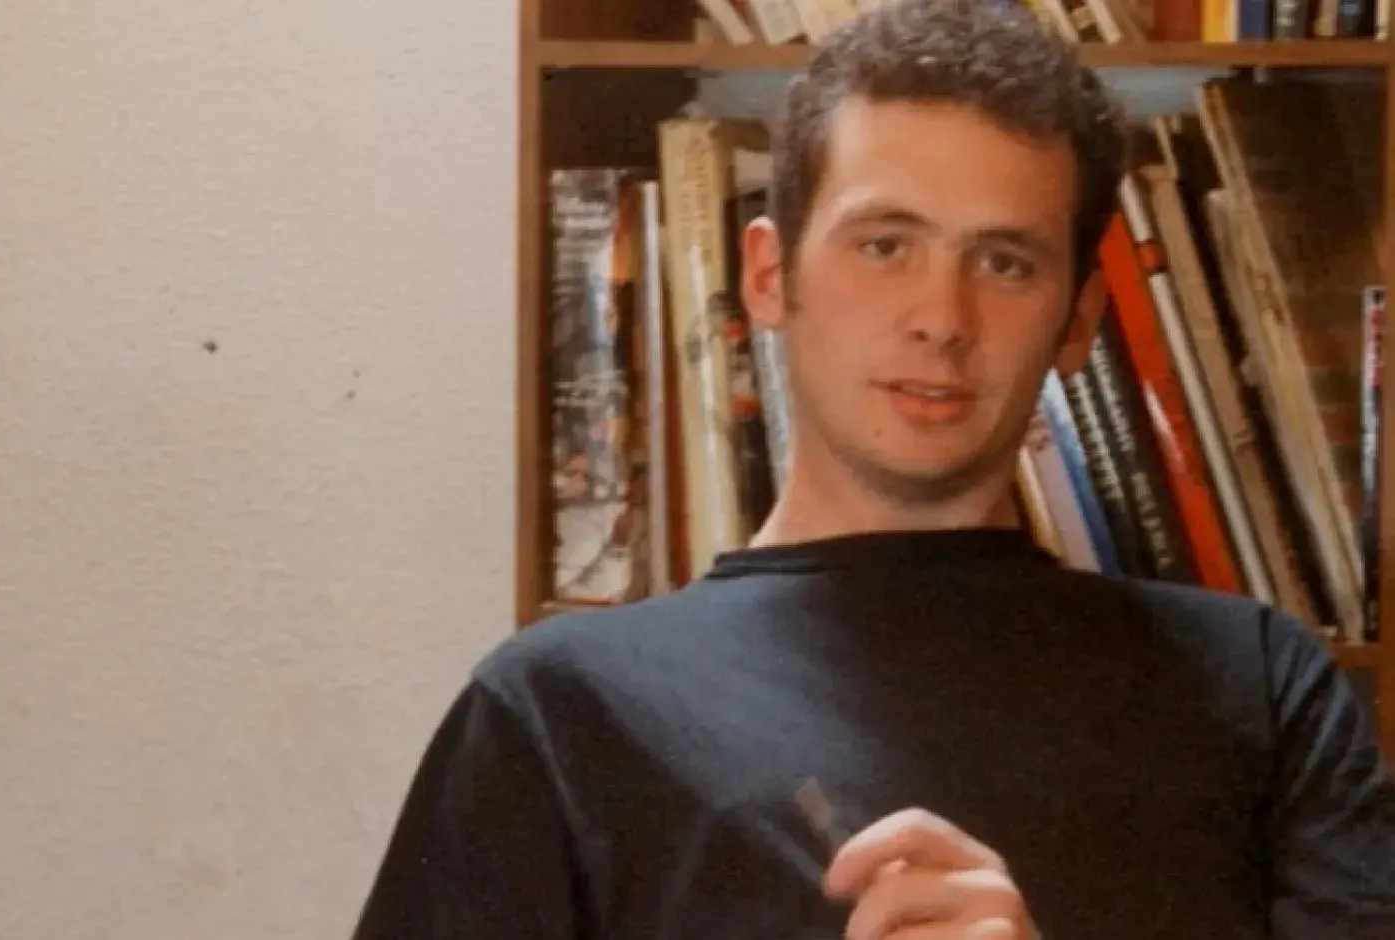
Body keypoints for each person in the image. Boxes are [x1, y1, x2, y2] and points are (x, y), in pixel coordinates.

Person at [350, 0, 1395, 936]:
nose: (942, 319)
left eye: (1004, 262)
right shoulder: (558, 714)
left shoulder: (1257, 684)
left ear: (1079, 318)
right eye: (885, 245)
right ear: (768, 275)